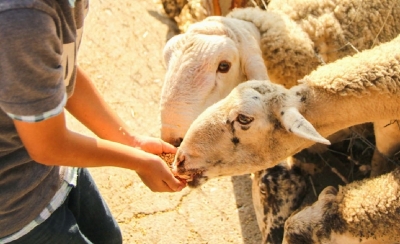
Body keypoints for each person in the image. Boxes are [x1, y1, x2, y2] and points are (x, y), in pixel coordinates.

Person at [0, 0, 187, 243]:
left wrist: (132, 143)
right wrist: (140, 162)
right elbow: (49, 146)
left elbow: (61, 71)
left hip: (55, 172)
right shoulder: (21, 21)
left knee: (110, 238)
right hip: (15, 209)